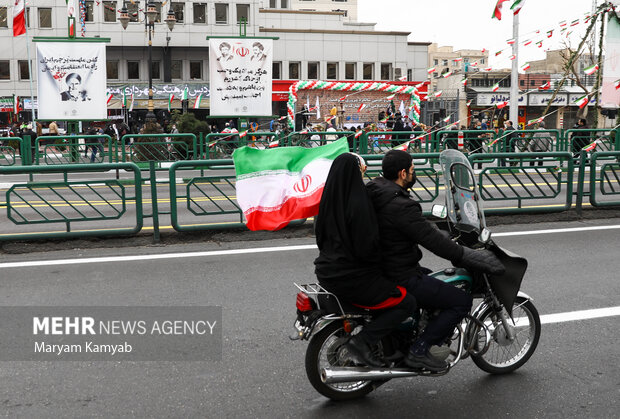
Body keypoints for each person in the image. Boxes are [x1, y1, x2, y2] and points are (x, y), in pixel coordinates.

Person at [366, 150, 504, 371]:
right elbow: (432, 241)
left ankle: (416, 329)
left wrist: (440, 231)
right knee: (460, 301)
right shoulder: (401, 204)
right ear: (402, 173)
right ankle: (419, 350)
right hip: (400, 273)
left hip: (384, 266)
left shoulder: (378, 191)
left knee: (431, 275)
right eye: (412, 170)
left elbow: (416, 227)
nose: (414, 173)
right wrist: (468, 255)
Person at [315, 153, 417, 368]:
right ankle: (362, 342)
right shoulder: (359, 204)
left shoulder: (325, 203)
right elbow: (367, 247)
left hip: (326, 272)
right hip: (352, 276)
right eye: (361, 172)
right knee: (406, 301)